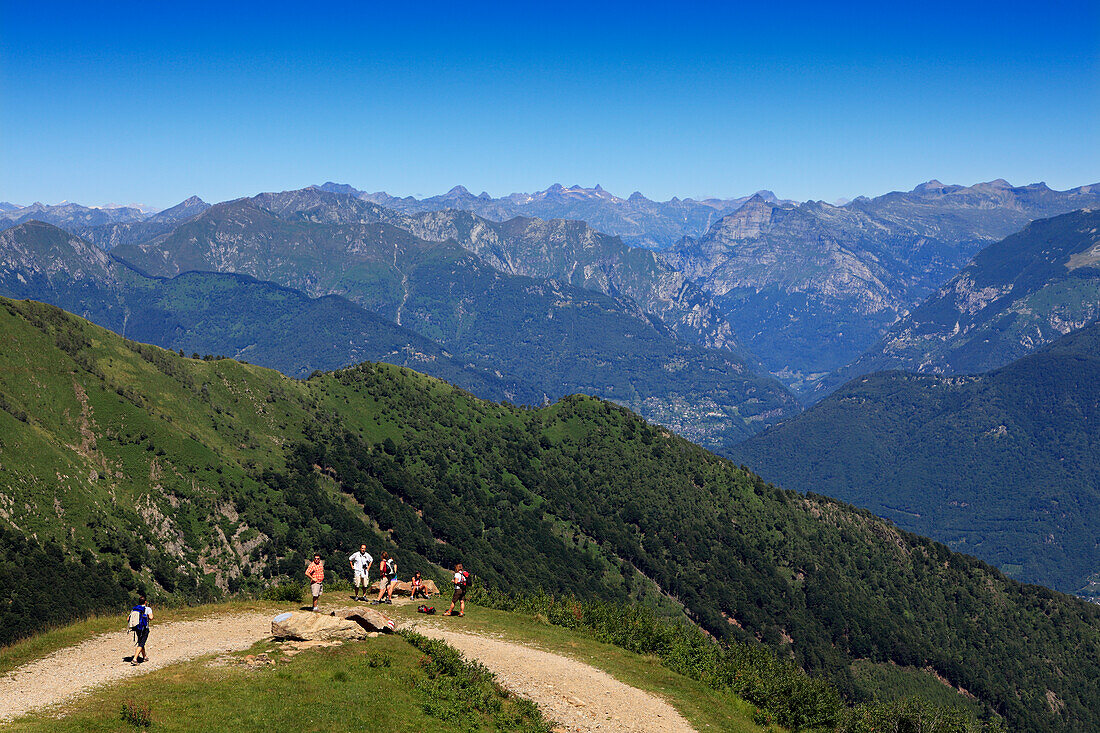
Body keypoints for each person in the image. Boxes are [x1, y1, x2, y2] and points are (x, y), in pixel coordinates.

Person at [128, 595, 152, 666]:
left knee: (141, 642)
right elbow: (151, 617)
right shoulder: (147, 608)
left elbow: (128, 619)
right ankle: (135, 659)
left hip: (137, 628)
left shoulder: (135, 609)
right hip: (144, 628)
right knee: (141, 643)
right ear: (145, 602)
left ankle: (145, 657)